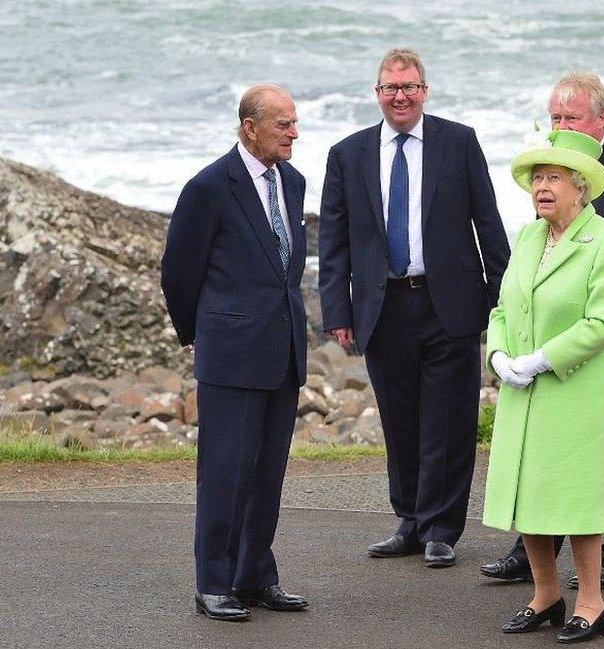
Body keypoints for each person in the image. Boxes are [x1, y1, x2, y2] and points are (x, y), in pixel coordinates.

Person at [318, 48, 509, 567]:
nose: (400, 97)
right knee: (401, 419)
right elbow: (332, 240)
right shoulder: (347, 154)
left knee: (449, 420)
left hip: (450, 302)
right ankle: (409, 521)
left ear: (424, 90)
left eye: (409, 87)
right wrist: (337, 310)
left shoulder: (459, 141)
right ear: (377, 93)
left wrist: (503, 301)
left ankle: (442, 528)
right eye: (390, 88)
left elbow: (487, 222)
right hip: (382, 307)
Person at [480, 72, 604, 589]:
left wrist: (588, 247)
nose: (561, 126)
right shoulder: (541, 194)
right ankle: (531, 551)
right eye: (555, 118)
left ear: (600, 120)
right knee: (544, 448)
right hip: (542, 338)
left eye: (572, 118)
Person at [161, 84, 309, 621]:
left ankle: (254, 576)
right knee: (225, 471)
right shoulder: (209, 187)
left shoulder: (292, 182)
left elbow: (286, 268)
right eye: (284, 124)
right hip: (230, 353)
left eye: (294, 123)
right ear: (250, 126)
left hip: (283, 349)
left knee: (268, 472)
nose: (294, 133)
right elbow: (179, 271)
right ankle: (214, 582)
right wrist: (197, 333)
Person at [484, 129, 604, 643]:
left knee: (575, 497)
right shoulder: (528, 236)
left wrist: (543, 359)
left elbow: (601, 323)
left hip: (574, 393)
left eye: (553, 178)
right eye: (537, 178)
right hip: (523, 392)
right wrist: (499, 354)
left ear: (580, 188)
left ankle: (592, 603)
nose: (541, 187)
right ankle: (545, 594)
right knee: (530, 494)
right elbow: (503, 306)